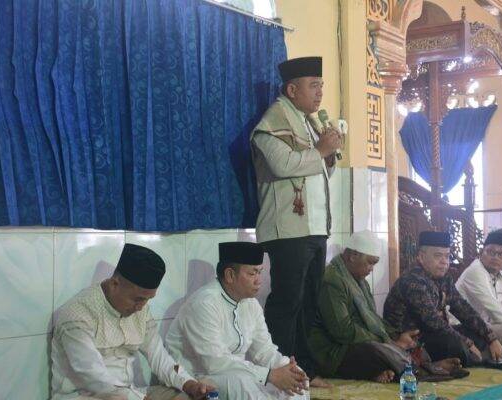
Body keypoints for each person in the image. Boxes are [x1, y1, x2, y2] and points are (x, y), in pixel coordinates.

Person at [250, 56, 342, 386]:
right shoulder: (272, 123)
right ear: (292, 90)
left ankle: (303, 370)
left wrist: (329, 153)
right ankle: (279, 371)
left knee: (308, 301)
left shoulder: (308, 122)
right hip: (288, 230)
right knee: (287, 302)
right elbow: (283, 165)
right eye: (313, 86)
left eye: (321, 86)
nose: (320, 93)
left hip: (314, 228)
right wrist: (321, 151)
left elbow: (320, 170)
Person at [51, 243, 214, 400]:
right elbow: (94, 376)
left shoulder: (140, 311)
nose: (141, 307)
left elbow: (159, 357)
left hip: (132, 393)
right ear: (115, 284)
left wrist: (189, 384)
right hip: (83, 395)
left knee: (194, 396)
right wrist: (139, 398)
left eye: (148, 299)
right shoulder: (78, 314)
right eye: (138, 299)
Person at [309, 231, 462, 383]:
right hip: (333, 352)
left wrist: (396, 335)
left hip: (356, 343)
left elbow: (374, 319)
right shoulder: (332, 281)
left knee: (409, 343)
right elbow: (343, 331)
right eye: (370, 262)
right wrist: (386, 341)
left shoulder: (360, 281)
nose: (371, 269)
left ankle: (421, 366)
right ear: (353, 256)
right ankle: (422, 369)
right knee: (374, 351)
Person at [166, 242, 309, 400]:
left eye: (260, 272)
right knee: (242, 383)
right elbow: (215, 363)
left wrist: (287, 369)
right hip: (196, 377)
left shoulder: (251, 304)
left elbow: (265, 351)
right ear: (230, 275)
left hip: (235, 374)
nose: (259, 281)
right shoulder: (204, 304)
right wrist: (269, 375)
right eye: (252, 274)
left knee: (297, 380)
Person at [383, 231, 502, 367]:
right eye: (438, 256)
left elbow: (464, 310)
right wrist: (467, 343)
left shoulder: (444, 279)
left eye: (447, 256)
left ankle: (474, 359)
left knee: (476, 335)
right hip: (410, 341)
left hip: (432, 335)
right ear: (421, 257)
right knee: (455, 343)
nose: (444, 261)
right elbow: (432, 322)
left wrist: (491, 338)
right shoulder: (413, 280)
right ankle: (466, 360)